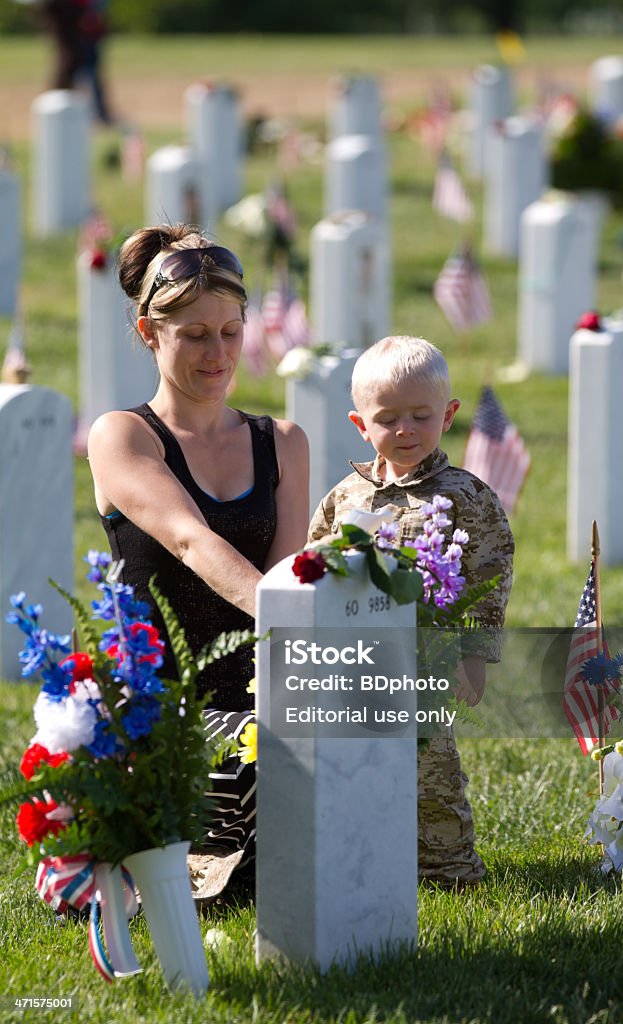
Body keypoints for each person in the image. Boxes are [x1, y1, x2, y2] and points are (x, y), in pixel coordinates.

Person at [87, 224, 309, 896]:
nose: (217, 353)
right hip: (162, 704)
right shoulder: (122, 436)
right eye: (193, 335)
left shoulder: (283, 441)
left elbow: (293, 566)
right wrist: (299, 617)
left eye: (230, 332)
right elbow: (190, 540)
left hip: (260, 695)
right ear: (150, 333)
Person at [307, 335, 514, 889]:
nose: (404, 430)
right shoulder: (347, 497)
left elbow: (489, 576)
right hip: (355, 658)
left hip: (429, 660)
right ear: (360, 424)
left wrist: (474, 654)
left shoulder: (465, 496)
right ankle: (364, 855)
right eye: (388, 418)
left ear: (448, 415)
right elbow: (312, 565)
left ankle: (448, 867)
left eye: (421, 416)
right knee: (353, 762)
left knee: (431, 770)